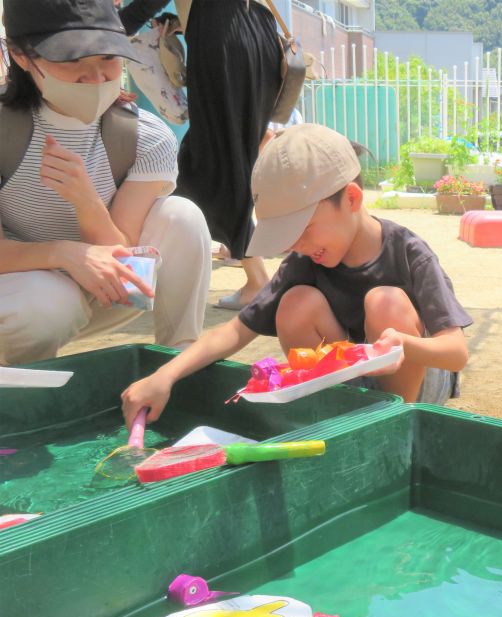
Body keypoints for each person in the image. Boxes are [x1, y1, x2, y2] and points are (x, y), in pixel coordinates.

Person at [122, 124, 472, 425]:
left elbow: (455, 352)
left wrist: (402, 345)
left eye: (302, 229)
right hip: (357, 375)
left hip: (417, 378)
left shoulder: (408, 252)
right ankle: (337, 414)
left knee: (386, 302)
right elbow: (234, 332)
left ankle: (396, 422)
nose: (296, 246)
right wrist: (164, 376)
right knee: (295, 304)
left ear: (351, 199)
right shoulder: (306, 261)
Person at [0, 0, 211, 365]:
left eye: (108, 60)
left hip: (108, 289)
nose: (96, 79)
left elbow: (122, 255)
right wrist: (63, 253)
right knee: (48, 304)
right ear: (20, 55)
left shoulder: (145, 136)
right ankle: (21, 390)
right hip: (24, 294)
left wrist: (86, 201)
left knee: (182, 215)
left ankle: (179, 364)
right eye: (72, 61)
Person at [172, 0, 284, 310]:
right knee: (236, 160)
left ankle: (257, 278)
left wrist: (97, 44)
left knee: (211, 166)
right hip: (259, 36)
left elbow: (141, 8)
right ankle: (257, 275)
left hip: (221, 37)